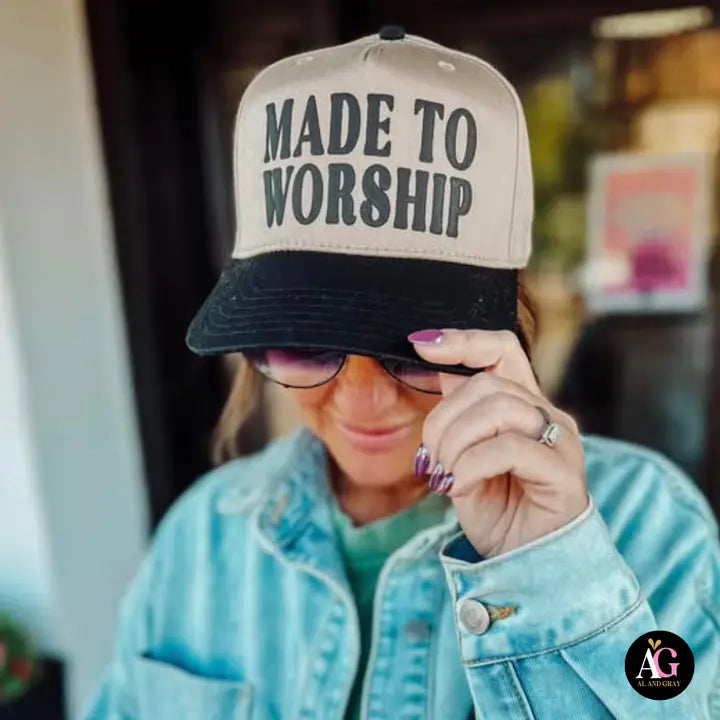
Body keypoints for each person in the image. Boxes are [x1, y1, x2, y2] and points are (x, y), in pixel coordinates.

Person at [83, 28, 720, 719]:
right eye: (306, 344)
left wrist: (550, 570)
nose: (362, 398)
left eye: (413, 350)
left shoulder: (653, 525)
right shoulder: (202, 537)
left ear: (508, 328)